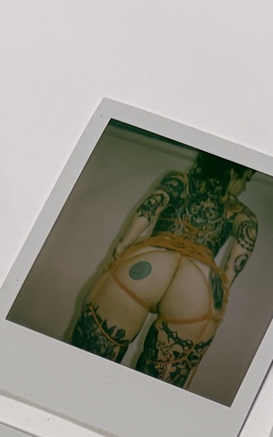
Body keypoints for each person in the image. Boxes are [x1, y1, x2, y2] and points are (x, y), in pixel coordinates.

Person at [69, 151, 259, 389]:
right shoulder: (244, 214)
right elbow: (237, 260)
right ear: (233, 171)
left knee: (88, 363)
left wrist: (123, 246)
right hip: (198, 282)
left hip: (152, 261)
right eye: (246, 179)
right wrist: (223, 288)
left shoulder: (180, 180)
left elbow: (149, 209)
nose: (244, 188)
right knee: (156, 387)